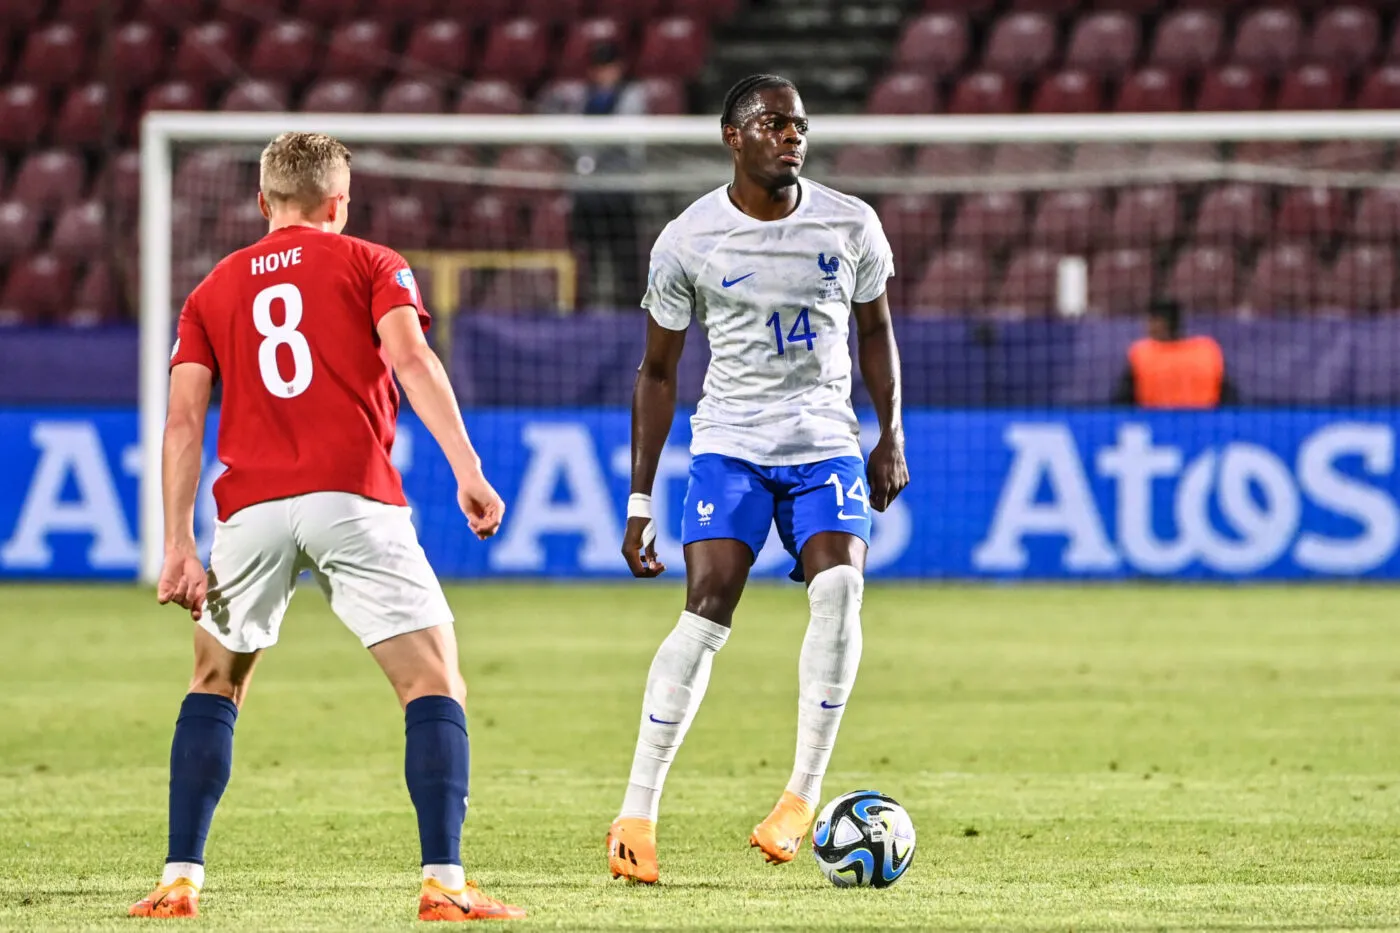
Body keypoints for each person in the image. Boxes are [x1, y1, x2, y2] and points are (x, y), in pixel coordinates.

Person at [128, 132, 524, 922]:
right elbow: (411, 359)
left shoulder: (211, 288)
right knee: (433, 682)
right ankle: (444, 884)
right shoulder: (373, 262)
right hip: (353, 499)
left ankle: (179, 880)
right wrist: (467, 467)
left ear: (261, 200)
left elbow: (181, 422)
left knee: (215, 682)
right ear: (340, 202)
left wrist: (178, 542)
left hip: (249, 511)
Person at [606, 75, 908, 884]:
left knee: (841, 588)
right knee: (706, 609)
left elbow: (875, 329)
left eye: (799, 125)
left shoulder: (851, 223)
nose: (791, 137)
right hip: (731, 443)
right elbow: (658, 371)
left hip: (826, 443)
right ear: (731, 136)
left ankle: (801, 796)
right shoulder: (687, 239)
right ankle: (636, 813)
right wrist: (640, 500)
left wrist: (890, 434)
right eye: (773, 124)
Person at [538, 41, 646, 309]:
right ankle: (587, 310)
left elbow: (627, 139)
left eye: (608, 66)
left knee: (625, 260)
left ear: (619, 68)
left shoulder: (632, 95)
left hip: (619, 190)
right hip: (586, 192)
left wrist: (586, 148)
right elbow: (560, 122)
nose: (603, 73)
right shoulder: (580, 96)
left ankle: (631, 312)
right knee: (588, 258)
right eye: (598, 67)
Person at [1114, 299, 1238, 407]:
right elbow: (1230, 397)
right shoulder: (1207, 350)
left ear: (1161, 323)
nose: (1146, 326)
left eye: (1150, 321)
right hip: (1205, 425)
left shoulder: (1142, 353)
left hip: (1156, 424)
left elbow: (1122, 402)